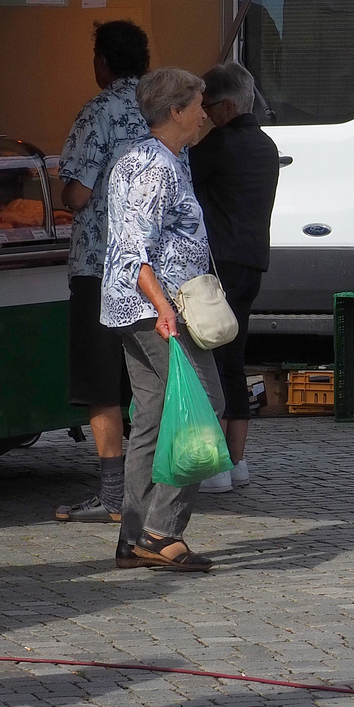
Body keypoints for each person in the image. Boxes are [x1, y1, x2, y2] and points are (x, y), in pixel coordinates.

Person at [102, 68, 226, 572]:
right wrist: (164, 309)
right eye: (198, 105)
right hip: (156, 309)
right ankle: (160, 531)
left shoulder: (161, 158)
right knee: (204, 404)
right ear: (175, 111)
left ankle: (134, 536)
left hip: (137, 308)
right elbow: (135, 248)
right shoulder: (154, 166)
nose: (204, 114)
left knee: (152, 418)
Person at [55, 21, 152, 525]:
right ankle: (150, 488)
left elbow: (77, 193)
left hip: (101, 264)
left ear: (103, 62)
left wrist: (65, 191)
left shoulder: (99, 113)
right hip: (155, 269)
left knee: (102, 384)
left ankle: (114, 495)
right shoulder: (165, 109)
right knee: (148, 381)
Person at [192, 62, 281, 494]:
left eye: (207, 106)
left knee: (212, 360)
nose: (203, 114)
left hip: (219, 264)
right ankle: (237, 460)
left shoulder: (219, 144)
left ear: (228, 105)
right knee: (235, 357)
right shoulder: (265, 145)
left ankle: (216, 465)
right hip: (252, 263)